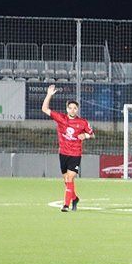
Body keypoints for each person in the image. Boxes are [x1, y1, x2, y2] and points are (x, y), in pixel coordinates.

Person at [41, 84, 94, 212]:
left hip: (75, 154)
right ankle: (74, 198)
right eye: (70, 108)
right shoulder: (61, 118)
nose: (72, 110)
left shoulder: (83, 122)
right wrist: (49, 95)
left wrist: (86, 135)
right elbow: (44, 109)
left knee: (70, 178)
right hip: (63, 153)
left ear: (77, 110)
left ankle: (66, 205)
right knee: (66, 180)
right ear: (67, 109)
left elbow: (92, 135)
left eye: (75, 108)